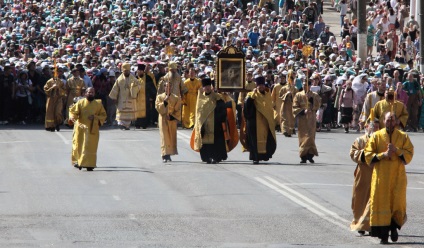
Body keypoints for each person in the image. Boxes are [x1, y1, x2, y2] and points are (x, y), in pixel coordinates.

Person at [364, 112, 414, 244]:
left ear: (396, 122)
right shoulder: (376, 136)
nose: (389, 122)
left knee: (396, 202)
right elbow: (368, 154)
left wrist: (397, 150)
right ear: (383, 121)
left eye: (392, 120)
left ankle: (394, 228)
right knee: (382, 203)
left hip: (397, 176)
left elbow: (409, 153)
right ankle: (383, 234)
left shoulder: (403, 136)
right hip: (381, 176)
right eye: (387, 120)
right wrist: (383, 155)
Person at [349, 113, 380, 235]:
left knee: (374, 200)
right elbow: (353, 153)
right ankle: (360, 224)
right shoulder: (360, 140)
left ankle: (372, 225)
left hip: (376, 173)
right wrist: (366, 154)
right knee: (359, 199)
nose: (375, 129)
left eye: (377, 127)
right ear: (367, 127)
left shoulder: (381, 140)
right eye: (373, 127)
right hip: (363, 173)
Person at [69, 87, 107, 171]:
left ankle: (90, 164)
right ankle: (80, 162)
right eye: (89, 92)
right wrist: (73, 118)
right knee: (81, 146)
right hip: (81, 129)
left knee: (91, 147)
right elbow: (73, 112)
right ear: (85, 93)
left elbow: (103, 115)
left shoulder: (98, 104)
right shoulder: (80, 102)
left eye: (92, 92)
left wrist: (95, 117)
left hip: (92, 130)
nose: (91, 94)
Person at [191, 78, 228, 164]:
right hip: (204, 123)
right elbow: (198, 111)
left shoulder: (217, 96)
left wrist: (218, 117)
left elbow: (222, 109)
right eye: (205, 86)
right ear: (203, 88)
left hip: (215, 123)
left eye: (208, 86)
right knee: (205, 141)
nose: (207, 88)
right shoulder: (200, 97)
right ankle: (206, 157)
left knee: (215, 141)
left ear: (211, 87)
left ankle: (215, 156)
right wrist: (199, 123)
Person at [244, 76, 277, 164]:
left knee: (265, 139)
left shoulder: (267, 95)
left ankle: (264, 156)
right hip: (254, 121)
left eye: (262, 85)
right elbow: (247, 107)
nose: (261, 87)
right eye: (259, 85)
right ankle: (255, 157)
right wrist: (251, 98)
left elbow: (269, 108)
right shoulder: (251, 94)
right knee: (254, 140)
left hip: (265, 121)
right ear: (257, 86)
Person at [293, 78, 321, 163]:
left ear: (310, 86)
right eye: (304, 85)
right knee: (303, 136)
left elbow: (318, 105)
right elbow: (294, 106)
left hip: (311, 118)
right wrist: (302, 111)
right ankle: (303, 156)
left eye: (307, 85)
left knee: (311, 136)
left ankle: (310, 155)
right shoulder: (298, 95)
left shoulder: (314, 95)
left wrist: (311, 101)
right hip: (302, 119)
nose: (305, 86)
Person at [108, 63, 140, 130]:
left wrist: (133, 87)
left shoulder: (133, 79)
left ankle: (127, 126)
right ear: (122, 71)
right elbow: (115, 88)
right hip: (121, 99)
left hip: (130, 98)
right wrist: (114, 97)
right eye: (125, 71)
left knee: (129, 113)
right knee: (121, 113)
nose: (126, 72)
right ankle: (121, 124)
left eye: (128, 71)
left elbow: (138, 86)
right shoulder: (119, 79)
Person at [156, 81, 182, 163]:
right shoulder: (160, 97)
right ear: (164, 87)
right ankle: (164, 154)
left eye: (169, 87)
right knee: (164, 137)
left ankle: (169, 154)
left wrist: (173, 116)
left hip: (172, 119)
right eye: (166, 86)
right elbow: (158, 107)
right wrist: (164, 102)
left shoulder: (176, 97)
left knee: (171, 137)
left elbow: (178, 109)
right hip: (163, 119)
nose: (168, 88)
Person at [135, 63, 157, 129]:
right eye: (139, 71)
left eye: (141, 71)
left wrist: (151, 97)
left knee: (146, 111)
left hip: (146, 98)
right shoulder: (135, 78)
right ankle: (137, 124)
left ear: (143, 71)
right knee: (137, 111)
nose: (140, 72)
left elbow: (152, 88)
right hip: (137, 98)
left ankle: (145, 124)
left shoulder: (148, 78)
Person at [44, 67, 66, 132]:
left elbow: (64, 91)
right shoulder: (49, 81)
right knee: (50, 112)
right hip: (51, 99)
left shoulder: (61, 82)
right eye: (53, 73)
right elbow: (46, 90)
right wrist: (52, 88)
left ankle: (58, 123)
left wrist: (58, 88)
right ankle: (50, 125)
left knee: (58, 112)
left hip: (58, 99)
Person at [279, 70, 298, 137]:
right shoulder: (284, 88)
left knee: (291, 118)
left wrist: (292, 96)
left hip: (292, 105)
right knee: (284, 117)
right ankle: (284, 130)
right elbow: (280, 96)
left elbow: (297, 97)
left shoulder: (295, 89)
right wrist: (286, 95)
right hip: (285, 105)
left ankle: (290, 131)